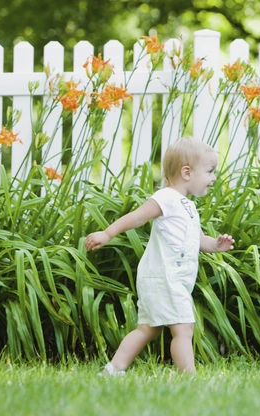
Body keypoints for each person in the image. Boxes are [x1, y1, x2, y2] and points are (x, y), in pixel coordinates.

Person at [85, 136, 234, 376]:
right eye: (210, 171)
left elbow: (197, 241)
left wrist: (217, 245)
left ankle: (113, 369)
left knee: (148, 328)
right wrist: (107, 233)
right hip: (166, 277)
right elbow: (137, 217)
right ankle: (190, 379)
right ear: (187, 172)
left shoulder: (188, 206)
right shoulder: (166, 197)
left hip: (166, 278)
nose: (213, 178)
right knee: (184, 328)